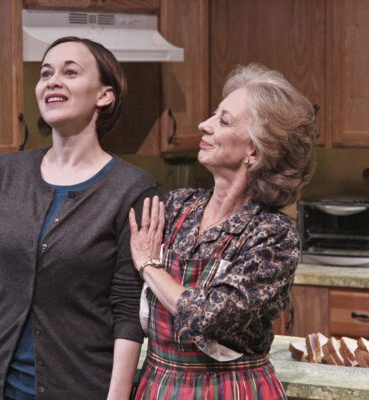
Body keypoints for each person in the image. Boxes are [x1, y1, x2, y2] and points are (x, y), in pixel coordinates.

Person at [0, 37, 156, 400]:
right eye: (45, 73)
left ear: (104, 95)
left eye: (70, 72)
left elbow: (127, 309)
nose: (53, 81)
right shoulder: (7, 172)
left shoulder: (131, 189)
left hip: (81, 388)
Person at [128, 64, 317, 399]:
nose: (204, 124)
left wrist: (149, 265)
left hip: (231, 389)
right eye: (214, 115)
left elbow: (209, 317)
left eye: (223, 120)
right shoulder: (177, 207)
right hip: (158, 384)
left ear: (254, 151)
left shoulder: (271, 234)